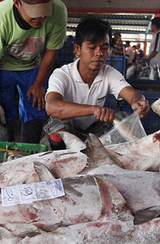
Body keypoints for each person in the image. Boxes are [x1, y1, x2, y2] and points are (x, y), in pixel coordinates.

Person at [0, 0, 68, 144]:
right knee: (3, 112)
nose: (40, 18)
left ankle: (30, 154)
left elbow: (51, 51)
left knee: (35, 108)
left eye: (44, 11)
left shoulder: (58, 11)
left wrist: (38, 83)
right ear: (17, 3)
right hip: (2, 67)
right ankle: (7, 155)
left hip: (33, 67)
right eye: (34, 12)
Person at [44, 17, 149, 149]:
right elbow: (52, 106)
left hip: (94, 132)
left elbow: (133, 95)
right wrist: (93, 110)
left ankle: (98, 154)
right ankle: (62, 158)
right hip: (68, 129)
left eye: (104, 48)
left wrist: (138, 102)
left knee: (123, 119)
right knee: (56, 125)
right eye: (92, 47)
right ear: (77, 49)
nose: (99, 53)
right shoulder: (62, 74)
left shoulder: (110, 73)